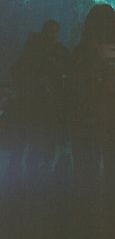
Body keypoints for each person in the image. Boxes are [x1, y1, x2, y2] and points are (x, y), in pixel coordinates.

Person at [70, 4, 115, 210]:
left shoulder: (85, 50)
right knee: (114, 164)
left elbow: (79, 87)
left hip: (92, 118)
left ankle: (86, 208)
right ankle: (114, 205)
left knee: (87, 165)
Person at [8, 19, 69, 181]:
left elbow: (16, 73)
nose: (53, 36)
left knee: (28, 139)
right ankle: (35, 172)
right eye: (51, 32)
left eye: (54, 32)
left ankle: (25, 171)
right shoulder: (53, 52)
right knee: (36, 138)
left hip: (36, 103)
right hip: (38, 103)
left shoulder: (37, 51)